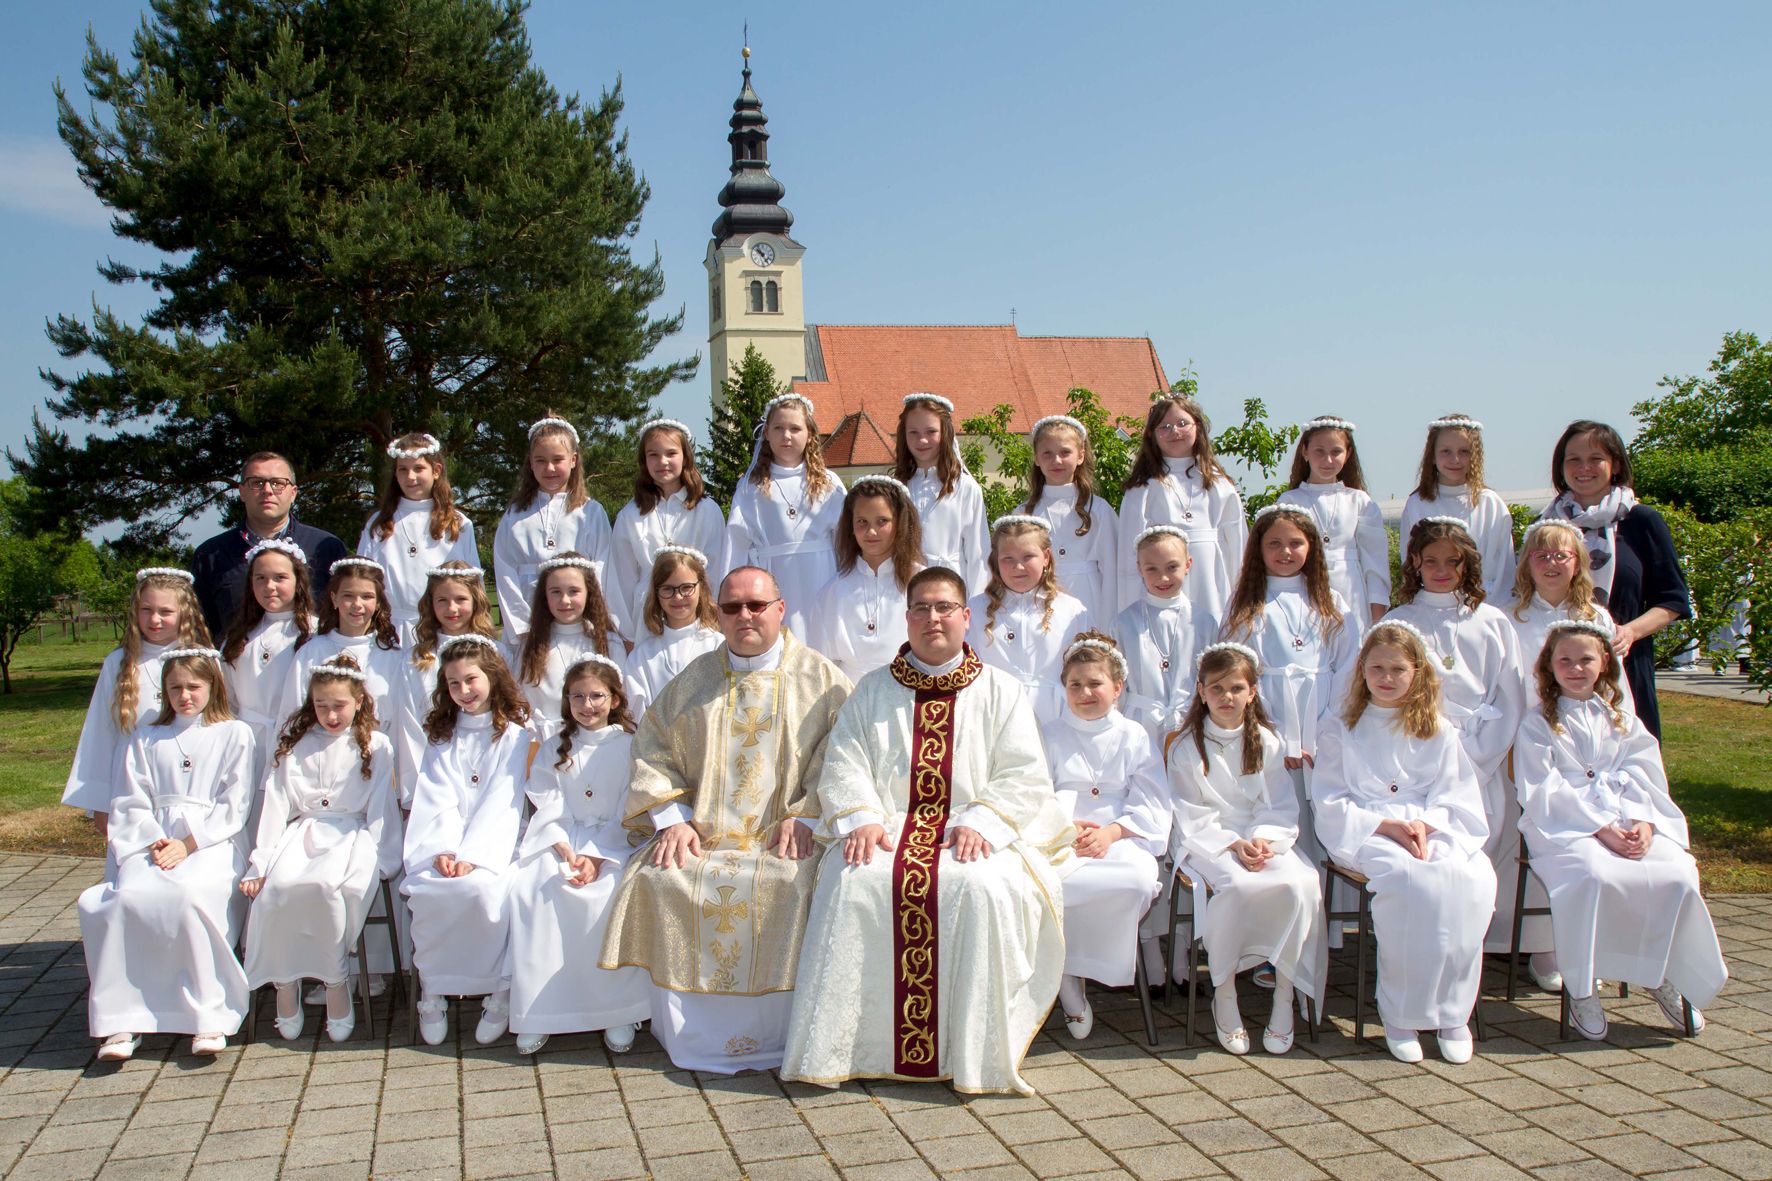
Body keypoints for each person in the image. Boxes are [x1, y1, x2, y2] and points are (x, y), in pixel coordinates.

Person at [781, 566, 1075, 1095]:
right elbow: (844, 760)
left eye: (945, 608)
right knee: (852, 881)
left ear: (967, 617)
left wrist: (984, 820)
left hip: (972, 829)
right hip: (890, 828)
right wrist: (862, 816)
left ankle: (971, 1054)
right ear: (907, 617)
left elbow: (1024, 772)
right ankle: (848, 1048)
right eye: (921, 608)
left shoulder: (1002, 690)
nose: (933, 618)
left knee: (981, 887)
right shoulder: (872, 690)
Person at [598, 566, 850, 1074]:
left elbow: (843, 754)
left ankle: (786, 1036)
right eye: (732, 608)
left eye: (756, 605)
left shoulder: (822, 681)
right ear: (718, 614)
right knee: (663, 879)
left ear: (781, 609)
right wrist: (672, 819)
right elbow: (652, 751)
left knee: (795, 882)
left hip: (787, 835)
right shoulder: (693, 681)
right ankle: (697, 1041)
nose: (745, 617)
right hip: (705, 837)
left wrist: (805, 815)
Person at [1514, 621, 1726, 1039]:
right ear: (1549, 666)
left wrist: (1644, 822)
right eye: (1566, 660)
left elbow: (1647, 776)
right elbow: (1543, 789)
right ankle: (1582, 983)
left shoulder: (1623, 720)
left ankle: (1659, 969)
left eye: (1585, 659)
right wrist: (1601, 828)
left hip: (1630, 819)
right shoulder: (1537, 725)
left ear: (1604, 663)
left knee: (1676, 873)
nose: (1576, 668)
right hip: (1567, 826)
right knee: (1594, 876)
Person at [1311, 620, 1495, 1066]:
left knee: (1471, 880)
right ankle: (1402, 1014)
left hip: (1431, 826)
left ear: (1417, 672)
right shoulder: (1340, 726)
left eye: (1397, 668)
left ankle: (1453, 1011)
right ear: (1362, 670)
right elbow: (1331, 798)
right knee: (1412, 884)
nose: (1387, 678)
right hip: (1369, 830)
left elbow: (1455, 794)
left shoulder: (1437, 727)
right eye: (1377, 668)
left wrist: (1428, 824)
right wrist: (1386, 825)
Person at [79, 648, 254, 1061]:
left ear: (213, 686)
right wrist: (155, 840)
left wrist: (188, 843)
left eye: (194, 687)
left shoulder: (234, 733)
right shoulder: (145, 737)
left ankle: (205, 1013)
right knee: (127, 899)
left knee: (189, 897)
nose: (185, 696)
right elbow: (129, 799)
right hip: (154, 841)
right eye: (175, 688)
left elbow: (235, 803)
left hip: (211, 842)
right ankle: (125, 1018)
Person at [1169, 642, 1327, 1056]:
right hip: (1211, 840)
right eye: (1216, 688)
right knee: (1237, 888)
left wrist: (1261, 839)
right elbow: (1189, 811)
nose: (1226, 697)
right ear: (1201, 691)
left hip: (1262, 838)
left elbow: (1277, 804)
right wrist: (1233, 843)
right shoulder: (1187, 746)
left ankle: (1285, 993)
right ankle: (1225, 991)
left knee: (1300, 883)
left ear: (1252, 692)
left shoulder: (1268, 742)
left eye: (1236, 688)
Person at [1382, 518, 1528, 957]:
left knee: (1473, 856)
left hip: (1479, 756)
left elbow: (1510, 697)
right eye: (1432, 562)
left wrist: (1478, 757)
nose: (1442, 570)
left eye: (1453, 561)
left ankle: (1464, 949)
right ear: (1415, 563)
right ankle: (1414, 948)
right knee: (1421, 855)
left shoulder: (1492, 622)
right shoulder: (1399, 622)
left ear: (1468, 564)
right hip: (1414, 758)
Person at [241, 654, 400, 1043]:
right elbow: (277, 806)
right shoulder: (295, 744)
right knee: (276, 890)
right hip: (303, 832)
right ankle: (285, 983)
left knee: (327, 888)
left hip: (350, 835)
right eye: (321, 706)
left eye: (339, 706)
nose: (330, 715)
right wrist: (261, 862)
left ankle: (334, 982)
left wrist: (383, 854)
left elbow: (380, 807)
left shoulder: (376, 745)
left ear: (360, 700)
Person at [508, 657, 651, 1056]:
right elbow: (546, 800)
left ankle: (617, 1011)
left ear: (615, 699)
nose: (587, 705)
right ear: (566, 700)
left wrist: (598, 856)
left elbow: (631, 803)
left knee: (606, 898)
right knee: (533, 891)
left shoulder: (628, 745)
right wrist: (564, 846)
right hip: (563, 838)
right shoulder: (556, 745)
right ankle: (542, 1012)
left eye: (596, 696)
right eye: (578, 697)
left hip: (613, 842)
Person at [404, 634, 533, 1046]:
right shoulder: (442, 736)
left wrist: (474, 856)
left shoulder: (516, 735)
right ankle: (434, 990)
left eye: (471, 680)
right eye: (454, 684)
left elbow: (504, 800)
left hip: (498, 842)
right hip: (444, 842)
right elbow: (434, 796)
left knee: (484, 891)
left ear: (493, 677)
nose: (464, 691)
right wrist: (442, 850)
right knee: (429, 891)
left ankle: (499, 991)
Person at [1042, 632, 1168, 1042]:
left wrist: (1112, 832)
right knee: (1048, 884)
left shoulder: (1134, 735)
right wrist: (1066, 827)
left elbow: (1152, 798)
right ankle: (1066, 976)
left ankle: (1081, 966)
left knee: (1133, 881)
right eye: (1075, 684)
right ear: (1064, 688)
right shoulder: (1050, 734)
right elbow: (1035, 794)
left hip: (1122, 834)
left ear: (1118, 687)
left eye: (1095, 683)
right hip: (1063, 836)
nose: (1085, 692)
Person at [1539, 420, 1691, 738]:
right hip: (1559, 670)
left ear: (1616, 464)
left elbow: (1672, 599)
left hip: (1625, 662)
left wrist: (1630, 632)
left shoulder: (1642, 522)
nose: (1584, 468)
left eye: (1595, 459)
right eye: (1574, 459)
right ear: (1560, 466)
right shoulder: (1544, 526)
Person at [64, 568, 212, 838]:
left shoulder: (204, 661)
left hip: (187, 784)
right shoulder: (119, 662)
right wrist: (100, 802)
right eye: (146, 610)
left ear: (185, 613)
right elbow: (100, 733)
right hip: (130, 783)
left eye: (165, 612)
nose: (155, 619)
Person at [722, 394, 845, 641]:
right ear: (766, 433)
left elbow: (845, 539)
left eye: (795, 428)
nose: (786, 436)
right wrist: (731, 596)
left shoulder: (829, 483)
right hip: (772, 577)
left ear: (809, 434)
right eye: (778, 428)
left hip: (821, 577)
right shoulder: (751, 487)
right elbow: (736, 543)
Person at [190, 451, 347, 638]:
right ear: (242, 492)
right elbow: (201, 629)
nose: (267, 490)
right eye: (256, 482)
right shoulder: (211, 555)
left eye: (278, 483)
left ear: (293, 493)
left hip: (310, 662)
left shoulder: (326, 548)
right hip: (236, 663)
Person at [1116, 393, 1246, 617]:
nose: (1174, 431)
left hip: (1210, 575)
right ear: (1153, 435)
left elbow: (1237, 540)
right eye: (1164, 426)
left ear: (1198, 427)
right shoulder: (1143, 487)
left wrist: (1242, 590)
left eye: (1182, 423)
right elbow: (1130, 549)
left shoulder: (1218, 482)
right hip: (1162, 576)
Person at [493, 415, 613, 645]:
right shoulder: (515, 515)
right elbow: (505, 571)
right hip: (528, 617)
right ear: (530, 462)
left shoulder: (591, 512)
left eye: (557, 459)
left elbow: (602, 567)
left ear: (573, 460)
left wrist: (589, 617)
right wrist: (522, 627)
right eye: (541, 460)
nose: (549, 468)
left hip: (577, 616)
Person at [394, 562, 503, 804]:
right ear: (430, 604)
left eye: (461, 599)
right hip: (433, 776)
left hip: (488, 772)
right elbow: (410, 726)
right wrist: (418, 789)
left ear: (476, 601)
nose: (451, 608)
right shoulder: (415, 660)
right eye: (442, 600)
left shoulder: (499, 653)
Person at [966, 515, 1090, 724]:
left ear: (1046, 557)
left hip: (1053, 716)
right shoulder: (976, 609)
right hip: (994, 714)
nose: (1019, 567)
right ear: (996, 560)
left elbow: (1086, 667)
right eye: (1008, 559)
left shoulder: (1071, 610)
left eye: (1028, 557)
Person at [609, 419, 726, 641]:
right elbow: (621, 578)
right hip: (646, 614)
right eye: (653, 454)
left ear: (685, 457)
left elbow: (717, 568)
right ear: (644, 460)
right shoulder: (631, 515)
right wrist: (628, 635)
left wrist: (715, 617)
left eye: (671, 453)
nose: (662, 461)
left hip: (695, 610)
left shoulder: (707, 510)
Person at [1277, 416, 1390, 635]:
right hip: (1304, 588)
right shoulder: (1289, 501)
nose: (1328, 460)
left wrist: (1377, 612)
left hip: (1352, 591)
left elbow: (1375, 560)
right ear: (1305, 452)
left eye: (1336, 452)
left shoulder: (1360, 501)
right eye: (1319, 451)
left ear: (1347, 454)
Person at [220, 539, 315, 786]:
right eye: (260, 578)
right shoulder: (239, 637)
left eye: (280, 578)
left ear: (298, 581)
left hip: (297, 743)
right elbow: (226, 697)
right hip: (245, 745)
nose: (269, 586)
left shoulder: (315, 633)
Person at [357, 432, 479, 626]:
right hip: (391, 626)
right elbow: (363, 577)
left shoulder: (458, 523)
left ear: (436, 470)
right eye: (403, 470)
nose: (410, 477)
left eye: (419, 468)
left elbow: (472, 583)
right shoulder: (379, 523)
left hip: (442, 625)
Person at [1506, 521, 1629, 710]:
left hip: (1584, 721)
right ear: (1527, 564)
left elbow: (1614, 680)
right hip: (1526, 725)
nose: (1551, 562)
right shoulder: (1508, 618)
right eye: (1541, 556)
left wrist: (1621, 722)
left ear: (1578, 564)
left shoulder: (1596, 618)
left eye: (1561, 555)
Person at [811, 475, 924, 681]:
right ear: (851, 527)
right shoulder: (833, 591)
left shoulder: (922, 582)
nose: (871, 532)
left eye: (882, 521)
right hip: (851, 697)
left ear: (900, 523)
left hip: (911, 692)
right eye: (862, 522)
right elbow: (822, 665)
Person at [1112, 526, 1219, 743]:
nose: (1163, 577)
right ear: (1139, 568)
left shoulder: (1202, 621)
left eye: (1172, 567)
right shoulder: (1124, 622)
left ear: (1188, 564)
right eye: (1152, 569)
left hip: (1190, 720)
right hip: (1139, 723)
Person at [1398, 415, 1516, 602]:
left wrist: (1490, 607)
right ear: (1433, 456)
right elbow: (1409, 559)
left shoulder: (1489, 504)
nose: (1455, 459)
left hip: (1482, 604)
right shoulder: (1418, 503)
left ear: (1475, 456)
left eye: (1464, 451)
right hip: (1430, 605)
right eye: (1446, 451)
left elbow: (1504, 566)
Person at [510, 552, 629, 723]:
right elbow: (520, 698)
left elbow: (622, 699)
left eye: (573, 591)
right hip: (543, 742)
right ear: (545, 596)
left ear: (589, 593)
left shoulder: (609, 643)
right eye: (556, 592)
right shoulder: (531, 646)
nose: (565, 600)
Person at [1020, 414, 1117, 622]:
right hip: (1040, 597)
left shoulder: (1099, 510)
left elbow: (1112, 570)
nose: (1056, 460)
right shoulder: (1023, 514)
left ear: (1080, 455)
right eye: (1047, 453)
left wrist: (1110, 622)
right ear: (1036, 458)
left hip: (1090, 598)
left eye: (1065, 452)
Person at [893, 392, 990, 592]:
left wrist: (979, 604)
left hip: (951, 584)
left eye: (931, 432)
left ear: (945, 433)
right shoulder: (897, 487)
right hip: (906, 586)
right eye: (913, 432)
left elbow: (977, 553)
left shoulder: (965, 487)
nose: (922, 440)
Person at [626, 546, 723, 715]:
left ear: (702, 588)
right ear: (656, 593)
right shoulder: (643, 655)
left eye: (686, 588)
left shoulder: (718, 645)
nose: (677, 597)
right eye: (668, 589)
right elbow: (636, 712)